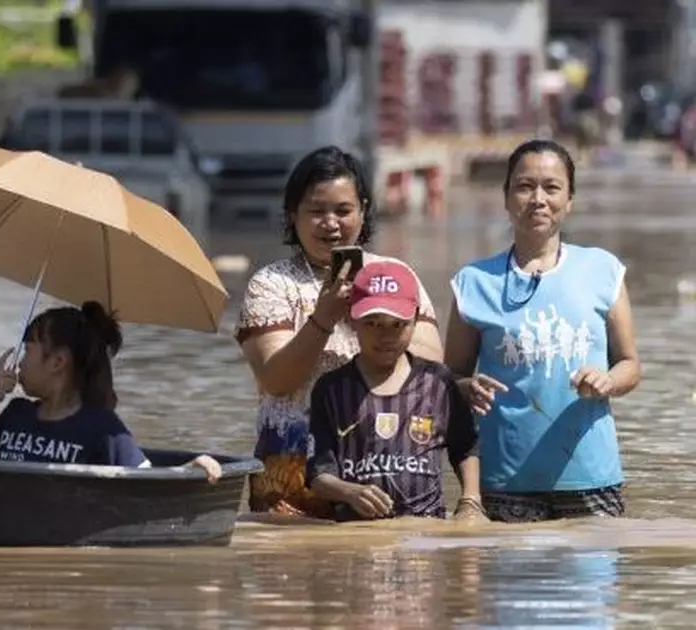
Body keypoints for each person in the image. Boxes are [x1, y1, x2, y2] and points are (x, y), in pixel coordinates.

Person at [234, 145, 443, 517]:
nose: (330, 223)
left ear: (363, 211)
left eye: (343, 210)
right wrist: (324, 318)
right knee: (290, 569)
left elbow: (430, 371)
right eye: (316, 211)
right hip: (291, 468)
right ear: (293, 215)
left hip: (382, 463)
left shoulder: (395, 276)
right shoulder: (271, 284)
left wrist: (374, 319)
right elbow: (277, 379)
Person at [443, 139, 641, 523]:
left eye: (551, 187)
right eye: (524, 186)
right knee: (509, 581)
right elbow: (448, 377)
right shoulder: (473, 283)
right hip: (504, 482)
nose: (538, 199)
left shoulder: (603, 271)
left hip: (591, 478)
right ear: (505, 197)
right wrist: (466, 388)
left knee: (593, 580)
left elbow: (631, 365)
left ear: (569, 200)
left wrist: (607, 381)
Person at [306, 260, 485, 522]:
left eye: (397, 324)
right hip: (357, 531)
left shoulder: (438, 383)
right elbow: (317, 474)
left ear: (415, 320)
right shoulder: (331, 389)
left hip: (425, 530)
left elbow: (466, 447)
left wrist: (471, 500)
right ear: (351, 319)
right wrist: (350, 492)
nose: (386, 336)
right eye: (373, 324)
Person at [0, 301, 221, 481]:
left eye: (28, 351)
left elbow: (148, 484)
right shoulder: (15, 414)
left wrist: (191, 468)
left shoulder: (104, 430)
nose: (19, 362)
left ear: (57, 362)